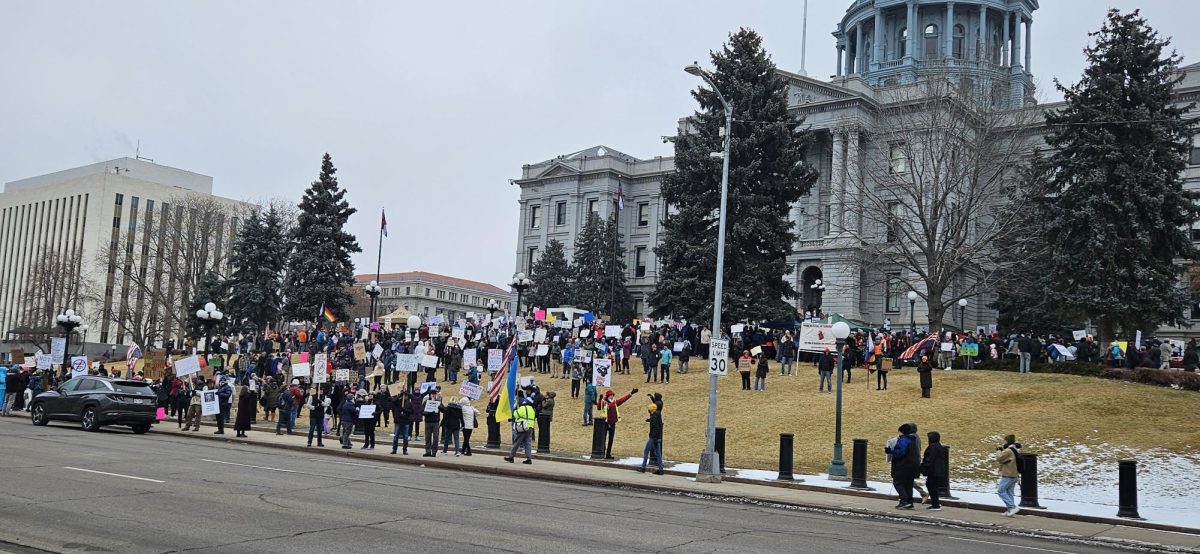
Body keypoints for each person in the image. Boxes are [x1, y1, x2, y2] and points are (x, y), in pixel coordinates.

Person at [884, 423, 920, 509]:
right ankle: (909, 502)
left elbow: (900, 452)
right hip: (912, 466)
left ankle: (904, 501)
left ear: (901, 432)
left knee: (898, 483)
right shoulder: (913, 440)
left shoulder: (903, 440)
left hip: (903, 466)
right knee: (908, 484)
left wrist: (890, 451)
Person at [595, 387, 637, 459]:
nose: (612, 396)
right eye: (611, 395)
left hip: (612, 423)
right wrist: (600, 399)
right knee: (603, 438)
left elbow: (623, 400)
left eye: (613, 395)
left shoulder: (615, 402)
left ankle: (608, 454)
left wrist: (631, 394)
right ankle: (602, 452)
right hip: (605, 423)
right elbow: (599, 408)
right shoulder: (604, 402)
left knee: (611, 439)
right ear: (608, 396)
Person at [920, 431, 948, 511]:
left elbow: (929, 460)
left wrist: (922, 467)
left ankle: (935, 505)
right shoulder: (938, 446)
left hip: (933, 471)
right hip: (938, 470)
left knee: (931, 486)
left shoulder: (932, 447)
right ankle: (936, 503)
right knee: (933, 486)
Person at [995, 434, 1022, 517]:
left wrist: (998, 450)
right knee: (1009, 492)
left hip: (1008, 474)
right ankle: (1010, 510)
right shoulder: (1015, 449)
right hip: (1014, 474)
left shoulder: (1008, 451)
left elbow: (999, 458)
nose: (1004, 442)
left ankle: (1012, 507)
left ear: (1008, 441)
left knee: (1001, 491)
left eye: (1005, 441)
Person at [504, 398, 537, 464]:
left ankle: (511, 457)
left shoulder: (522, 408)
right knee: (528, 444)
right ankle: (529, 459)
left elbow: (515, 414)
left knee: (516, 442)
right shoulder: (531, 409)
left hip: (522, 427)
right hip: (530, 427)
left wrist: (515, 409)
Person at [637, 401, 665, 475]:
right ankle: (661, 469)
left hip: (653, 437)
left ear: (651, 410)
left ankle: (643, 467)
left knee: (646, 451)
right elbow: (658, 424)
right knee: (658, 454)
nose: (648, 410)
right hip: (658, 437)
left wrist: (653, 437)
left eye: (649, 409)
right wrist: (649, 420)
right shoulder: (658, 415)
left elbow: (655, 427)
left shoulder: (654, 417)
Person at [390, 387, 412, 455]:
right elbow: (393, 401)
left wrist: (404, 410)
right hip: (398, 421)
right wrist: (399, 395)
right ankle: (394, 449)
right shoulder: (398, 402)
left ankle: (405, 450)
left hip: (406, 422)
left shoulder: (409, 403)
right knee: (396, 436)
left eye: (405, 396)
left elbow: (411, 411)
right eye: (403, 395)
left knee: (405, 437)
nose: (404, 397)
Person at [422, 387, 442, 457]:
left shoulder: (438, 402)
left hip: (436, 422)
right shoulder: (426, 402)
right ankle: (428, 451)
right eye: (432, 394)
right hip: (428, 422)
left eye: (434, 394)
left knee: (436, 437)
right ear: (430, 395)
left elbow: (443, 410)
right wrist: (429, 412)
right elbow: (422, 412)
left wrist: (439, 405)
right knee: (428, 437)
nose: (433, 395)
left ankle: (434, 451)